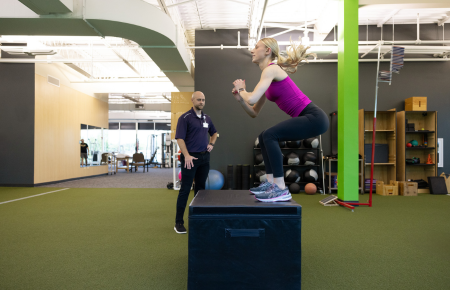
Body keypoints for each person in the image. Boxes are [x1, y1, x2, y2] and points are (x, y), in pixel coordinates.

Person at [231, 38, 329, 202]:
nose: (252, 50)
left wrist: (241, 89)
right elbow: (254, 112)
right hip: (308, 118)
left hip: (314, 117)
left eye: (256, 47)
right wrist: (241, 99)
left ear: (267, 51)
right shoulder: (267, 78)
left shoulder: (272, 69)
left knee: (270, 135)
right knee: (264, 136)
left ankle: (281, 188)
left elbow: (252, 98)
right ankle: (271, 184)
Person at [174, 91, 218, 234]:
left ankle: (198, 220)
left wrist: (211, 144)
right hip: (190, 158)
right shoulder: (185, 118)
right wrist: (186, 155)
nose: (201, 102)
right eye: (199, 99)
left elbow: (214, 133)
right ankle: (178, 223)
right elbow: (179, 138)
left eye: (203, 100)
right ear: (192, 100)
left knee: (200, 190)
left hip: (204, 159)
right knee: (185, 190)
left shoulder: (207, 118)